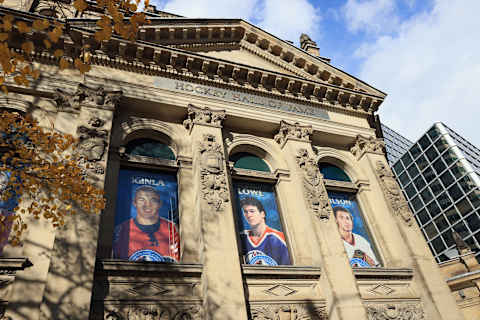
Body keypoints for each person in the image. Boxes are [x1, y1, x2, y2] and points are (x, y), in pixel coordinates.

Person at [113, 185, 179, 262]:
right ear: (134, 203)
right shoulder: (122, 229)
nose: (147, 205)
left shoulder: (172, 228)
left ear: (159, 204)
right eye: (141, 200)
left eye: (153, 200)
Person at [239, 197, 291, 265]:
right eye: (245, 212)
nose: (249, 215)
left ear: (262, 214)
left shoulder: (278, 238)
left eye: (252, 211)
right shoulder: (242, 237)